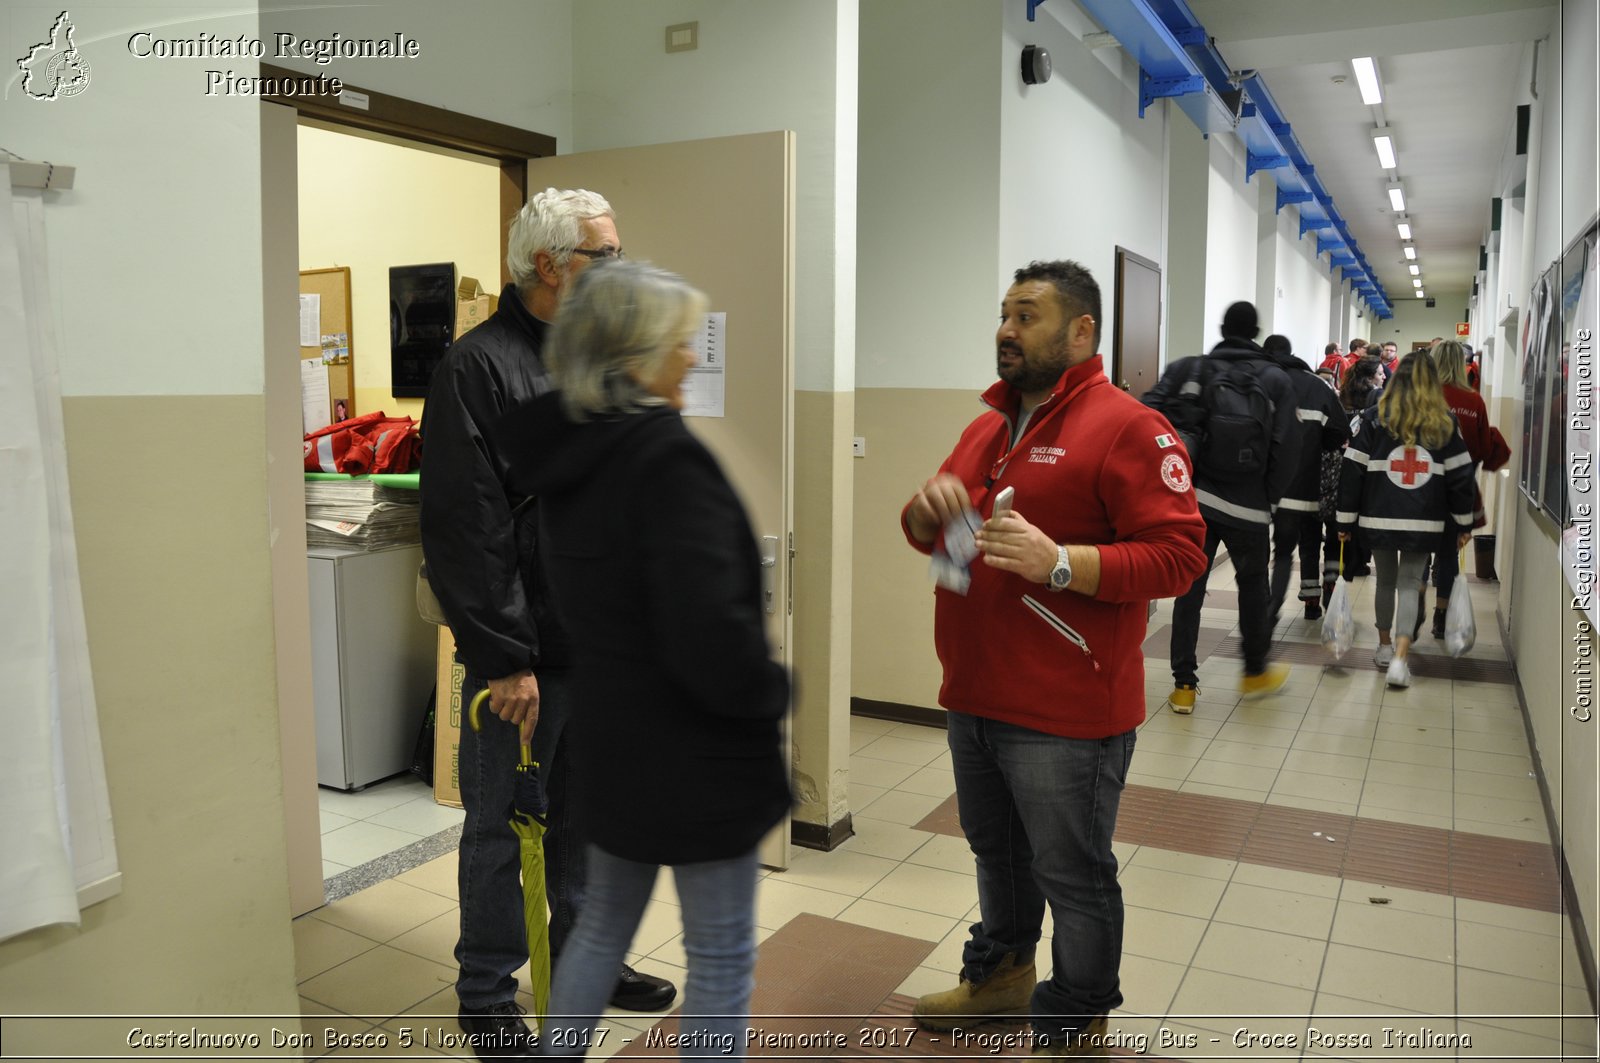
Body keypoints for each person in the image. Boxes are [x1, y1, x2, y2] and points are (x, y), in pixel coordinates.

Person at [902, 260, 1206, 1057]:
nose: (1006, 330)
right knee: (994, 851)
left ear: (1082, 332)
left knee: (1072, 872)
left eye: (1027, 315)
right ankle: (1001, 973)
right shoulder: (987, 425)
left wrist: (1061, 562)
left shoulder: (1130, 427)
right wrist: (929, 513)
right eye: (1003, 313)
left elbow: (1179, 556)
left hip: (1067, 708)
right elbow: (947, 538)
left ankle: (1075, 1017)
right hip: (975, 689)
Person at [498, 261, 789, 1061]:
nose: (692, 356)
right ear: (632, 354)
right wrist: (770, 690)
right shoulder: (666, 459)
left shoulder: (573, 458)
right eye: (678, 342)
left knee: (597, 933)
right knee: (722, 958)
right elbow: (709, 635)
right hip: (700, 753)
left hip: (616, 741)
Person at [419, 189, 675, 1060]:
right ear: (547, 266)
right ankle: (486, 995)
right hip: (524, 662)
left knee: (583, 820)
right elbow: (468, 529)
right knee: (504, 827)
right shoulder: (476, 368)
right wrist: (502, 658)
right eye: (604, 256)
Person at [1143, 301, 1300, 712]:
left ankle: (1183, 685)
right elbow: (1286, 448)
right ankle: (1254, 672)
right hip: (1249, 506)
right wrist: (1269, 497)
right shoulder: (1275, 379)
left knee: (1189, 589)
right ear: (1255, 332)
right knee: (1252, 586)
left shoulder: (1191, 369)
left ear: (1222, 328)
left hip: (1194, 500)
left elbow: (1146, 414)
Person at [1337, 351, 1475, 688]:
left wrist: (1344, 521)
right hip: (1424, 520)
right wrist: (1463, 522)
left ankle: (1384, 648)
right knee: (1411, 583)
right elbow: (1461, 476)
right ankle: (1401, 659)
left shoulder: (1374, 417)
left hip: (1378, 516)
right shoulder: (1444, 422)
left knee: (1385, 580)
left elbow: (1352, 470)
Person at [1427, 340, 1511, 636]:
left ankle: (1411, 614)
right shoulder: (1474, 401)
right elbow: (1485, 447)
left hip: (1423, 487)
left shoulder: (1423, 396)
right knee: (1449, 554)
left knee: (1418, 551)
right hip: (1459, 489)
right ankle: (1440, 616)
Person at [1261, 334, 1347, 624]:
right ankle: (1319, 596)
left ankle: (1277, 606)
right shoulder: (1317, 386)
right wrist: (1316, 446)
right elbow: (1339, 431)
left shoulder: (1260, 381)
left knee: (1273, 552)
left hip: (1264, 490)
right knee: (1312, 540)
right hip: (1307, 484)